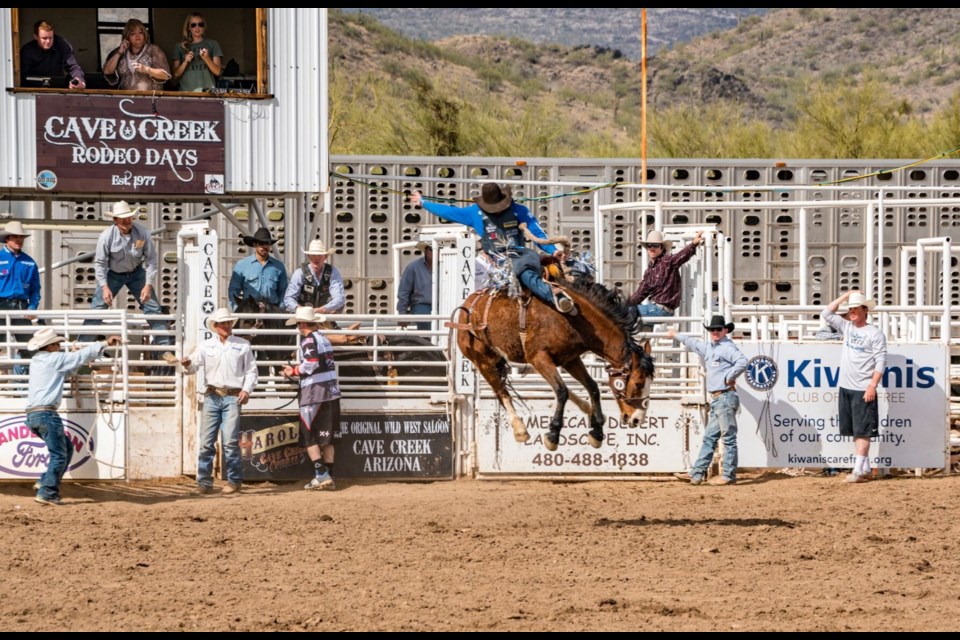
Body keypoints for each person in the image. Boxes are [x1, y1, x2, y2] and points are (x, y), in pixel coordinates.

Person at [410, 183, 574, 313]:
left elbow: (536, 232)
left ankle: (560, 295)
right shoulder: (474, 212)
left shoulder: (519, 210)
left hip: (520, 255)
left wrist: (553, 251)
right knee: (520, 272)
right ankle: (553, 296)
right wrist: (424, 202)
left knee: (533, 269)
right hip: (493, 262)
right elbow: (449, 211)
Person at [26, 327, 122, 505]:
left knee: (65, 449)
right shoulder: (54, 359)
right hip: (46, 413)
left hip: (34, 415)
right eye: (57, 344)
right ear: (51, 346)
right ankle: (47, 492)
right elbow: (77, 358)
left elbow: (68, 368)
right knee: (60, 454)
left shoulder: (38, 360)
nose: (59, 346)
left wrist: (73, 358)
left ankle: (45, 482)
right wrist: (105, 343)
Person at [181, 307, 258, 495]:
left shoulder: (243, 345)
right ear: (215, 326)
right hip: (213, 395)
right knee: (207, 441)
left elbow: (251, 372)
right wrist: (186, 364)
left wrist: (246, 390)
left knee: (230, 441)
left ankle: (231, 480)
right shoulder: (206, 346)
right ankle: (206, 481)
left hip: (232, 396)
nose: (226, 326)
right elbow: (192, 368)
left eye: (228, 322)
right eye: (222, 323)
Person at [281, 306, 358, 491]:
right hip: (331, 391)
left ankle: (321, 475)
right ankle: (329, 476)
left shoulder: (308, 341)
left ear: (301, 324)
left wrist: (292, 370)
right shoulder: (324, 340)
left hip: (314, 394)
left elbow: (311, 364)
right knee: (328, 437)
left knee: (310, 436)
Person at [667, 315, 748, 486]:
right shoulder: (711, 348)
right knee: (711, 438)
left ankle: (727, 475)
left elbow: (742, 362)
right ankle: (697, 474)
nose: (715, 332)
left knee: (727, 438)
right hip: (720, 399)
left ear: (725, 330)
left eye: (718, 329)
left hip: (724, 396)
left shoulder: (726, 348)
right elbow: (692, 343)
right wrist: (675, 335)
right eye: (712, 329)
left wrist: (729, 376)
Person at [84, 201, 171, 350]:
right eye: (123, 218)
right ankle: (81, 347)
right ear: (115, 220)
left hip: (137, 273)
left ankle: (165, 349)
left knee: (152, 307)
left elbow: (151, 259)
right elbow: (100, 263)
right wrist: (104, 287)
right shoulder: (106, 236)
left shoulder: (142, 232)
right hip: (113, 274)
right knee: (98, 308)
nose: (127, 221)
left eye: (129, 217)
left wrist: (148, 284)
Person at [822, 290, 887, 484]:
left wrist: (872, 385)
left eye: (855, 308)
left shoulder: (874, 333)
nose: (851, 312)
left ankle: (858, 470)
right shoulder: (848, 327)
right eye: (850, 309)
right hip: (846, 386)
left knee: (862, 430)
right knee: (855, 430)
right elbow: (826, 312)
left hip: (862, 387)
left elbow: (881, 361)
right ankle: (864, 467)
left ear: (865, 310)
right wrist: (846, 295)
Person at [628, 229, 704, 320]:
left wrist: (693, 244)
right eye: (649, 245)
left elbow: (681, 255)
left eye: (655, 245)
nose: (652, 248)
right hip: (655, 309)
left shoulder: (667, 261)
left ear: (661, 248)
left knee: (626, 312)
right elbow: (640, 293)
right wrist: (625, 304)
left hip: (662, 309)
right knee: (624, 312)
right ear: (647, 248)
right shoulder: (649, 271)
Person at [0, 220, 41, 376]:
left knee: (29, 347)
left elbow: (36, 289)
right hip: (1, 305)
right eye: (15, 237)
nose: (19, 240)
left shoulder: (29, 262)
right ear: (7, 239)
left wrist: (32, 307)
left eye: (21, 237)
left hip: (21, 307)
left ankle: (27, 384)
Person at [229, 227, 288, 311]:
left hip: (272, 311)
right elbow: (233, 290)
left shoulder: (279, 266)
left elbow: (283, 291)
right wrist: (237, 309)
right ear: (254, 244)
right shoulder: (242, 265)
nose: (264, 246)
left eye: (267, 243)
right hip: (250, 310)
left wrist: (280, 310)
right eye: (261, 243)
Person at [103, 18, 171, 91]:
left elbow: (165, 75)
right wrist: (120, 52)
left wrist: (146, 69)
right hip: (126, 99)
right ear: (127, 36)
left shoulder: (153, 49)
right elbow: (107, 71)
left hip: (150, 99)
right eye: (133, 33)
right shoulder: (121, 51)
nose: (137, 36)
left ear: (145, 34)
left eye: (140, 32)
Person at [281, 239, 344, 314]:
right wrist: (300, 309)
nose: (316, 258)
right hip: (303, 318)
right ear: (309, 256)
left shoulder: (333, 272)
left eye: (320, 255)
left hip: (326, 317)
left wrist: (322, 309)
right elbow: (289, 298)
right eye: (313, 255)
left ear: (325, 257)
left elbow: (339, 299)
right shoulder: (299, 273)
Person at [19, 20, 86, 89]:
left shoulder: (62, 44)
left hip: (58, 88)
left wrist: (79, 81)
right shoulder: (27, 51)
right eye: (44, 38)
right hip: (33, 90)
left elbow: (73, 66)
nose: (48, 41)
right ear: (35, 36)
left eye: (51, 38)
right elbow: (22, 76)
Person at [170, 12, 223, 92]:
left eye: (200, 24)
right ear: (188, 27)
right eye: (193, 25)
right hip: (186, 93)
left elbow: (218, 72)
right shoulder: (179, 46)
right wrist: (185, 62)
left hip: (208, 93)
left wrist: (207, 59)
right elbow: (175, 75)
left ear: (204, 26)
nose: (197, 27)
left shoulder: (213, 44)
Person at [396, 241, 433, 330]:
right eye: (431, 249)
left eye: (439, 249)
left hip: (443, 304)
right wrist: (402, 313)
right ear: (426, 251)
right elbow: (404, 291)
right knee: (426, 321)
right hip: (421, 304)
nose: (435, 252)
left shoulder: (446, 265)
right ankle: (426, 342)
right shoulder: (413, 267)